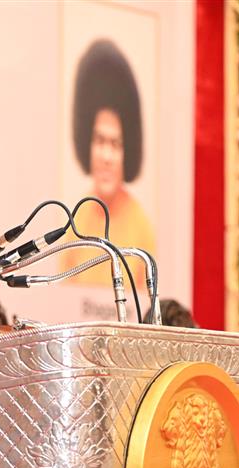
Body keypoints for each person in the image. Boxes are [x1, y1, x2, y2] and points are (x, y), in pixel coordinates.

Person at [60, 39, 156, 287]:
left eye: (116, 144)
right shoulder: (75, 222)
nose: (106, 156)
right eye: (100, 141)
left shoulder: (141, 227)